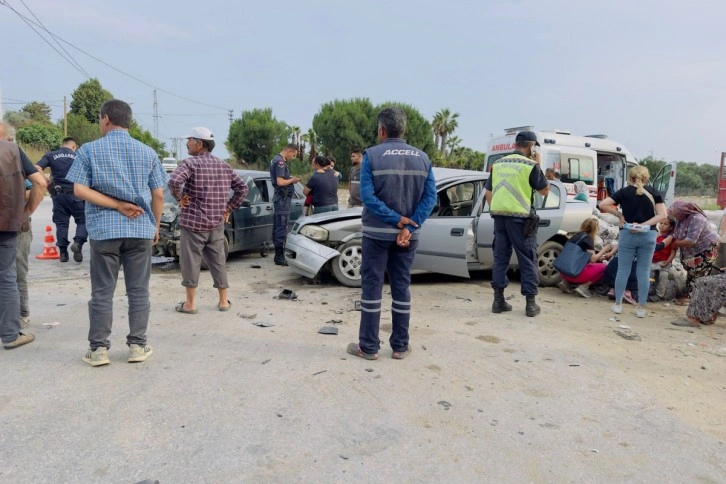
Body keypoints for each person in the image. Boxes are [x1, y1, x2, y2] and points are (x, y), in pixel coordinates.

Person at [66, 99, 168, 367]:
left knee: (102, 291)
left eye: (100, 119)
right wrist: (155, 226)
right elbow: (158, 194)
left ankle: (98, 350)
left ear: (106, 119)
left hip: (104, 231)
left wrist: (115, 205)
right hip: (140, 231)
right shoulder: (147, 152)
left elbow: (79, 190)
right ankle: (137, 345)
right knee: (138, 291)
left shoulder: (88, 151)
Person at [347, 107, 436, 360]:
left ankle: (369, 347)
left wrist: (396, 220)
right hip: (408, 238)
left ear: (381, 130)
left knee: (372, 287)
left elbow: (367, 197)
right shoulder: (423, 158)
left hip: (376, 235)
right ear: (403, 129)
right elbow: (430, 198)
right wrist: (409, 226)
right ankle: (399, 346)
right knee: (401, 286)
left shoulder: (371, 156)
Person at [168, 127, 248, 314]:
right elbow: (242, 188)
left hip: (194, 223)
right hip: (216, 223)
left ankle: (190, 304)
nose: (187, 143)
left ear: (199, 143)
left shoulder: (190, 164)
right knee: (218, 261)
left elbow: (173, 181)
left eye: (189, 140)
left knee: (190, 262)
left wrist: (179, 198)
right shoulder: (224, 166)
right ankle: (223, 302)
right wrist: (228, 208)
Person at [485, 130, 549, 317]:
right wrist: (539, 164)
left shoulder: (498, 164)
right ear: (532, 146)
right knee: (527, 258)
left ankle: (498, 301)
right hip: (521, 220)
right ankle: (530, 305)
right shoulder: (530, 165)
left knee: (500, 258)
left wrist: (499, 207)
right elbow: (544, 190)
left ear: (516, 144)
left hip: (499, 217)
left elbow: (488, 193)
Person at [598, 166, 666, 318]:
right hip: (648, 235)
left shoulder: (624, 192)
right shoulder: (654, 192)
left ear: (630, 178)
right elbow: (663, 215)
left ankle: (618, 305)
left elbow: (603, 204)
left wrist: (619, 216)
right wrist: (644, 225)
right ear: (646, 178)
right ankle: (641, 308)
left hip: (627, 233)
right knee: (643, 271)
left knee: (623, 270)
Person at [0, 133, 47, 350]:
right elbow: (40, 181)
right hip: (7, 224)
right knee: (7, 277)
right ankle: (10, 335)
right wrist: (27, 211)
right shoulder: (12, 150)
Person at [0, 122, 34, 329]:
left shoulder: (16, 156)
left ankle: (21, 313)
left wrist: (25, 211)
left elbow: (35, 185)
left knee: (16, 271)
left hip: (16, 225)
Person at [36, 137, 87, 263]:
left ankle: (63, 253)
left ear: (62, 145)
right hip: (77, 194)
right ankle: (78, 243)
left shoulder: (51, 155)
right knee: (82, 221)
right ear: (74, 146)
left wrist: (46, 181)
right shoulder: (79, 156)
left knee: (61, 223)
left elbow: (37, 167)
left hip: (58, 194)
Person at [668, 201, 720, 305]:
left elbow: (691, 241)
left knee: (699, 274)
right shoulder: (681, 219)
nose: (675, 216)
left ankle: (695, 300)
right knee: (692, 274)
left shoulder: (697, 219)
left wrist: (675, 244)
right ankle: (690, 297)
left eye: (676, 214)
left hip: (705, 249)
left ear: (683, 212)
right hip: (691, 253)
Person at [557, 218, 613, 298]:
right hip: (574, 274)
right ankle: (584, 286)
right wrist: (604, 250)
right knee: (604, 267)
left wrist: (599, 257)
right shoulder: (588, 239)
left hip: (563, 272)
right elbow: (593, 259)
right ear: (595, 229)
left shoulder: (575, 236)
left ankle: (566, 283)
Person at [269, 144, 300, 266]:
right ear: (288, 151)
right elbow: (280, 182)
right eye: (294, 154)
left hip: (282, 198)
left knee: (278, 226)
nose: (294, 157)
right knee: (281, 227)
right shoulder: (280, 162)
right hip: (282, 199)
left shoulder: (276, 159)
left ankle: (278, 255)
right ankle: (279, 257)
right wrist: (292, 180)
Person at [648, 216, 677, 302]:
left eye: (665, 224)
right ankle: (649, 290)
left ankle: (659, 294)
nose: (662, 225)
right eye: (661, 223)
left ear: (671, 227)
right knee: (650, 274)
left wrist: (668, 261)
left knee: (663, 275)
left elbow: (673, 252)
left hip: (664, 261)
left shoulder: (671, 238)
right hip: (653, 261)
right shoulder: (655, 235)